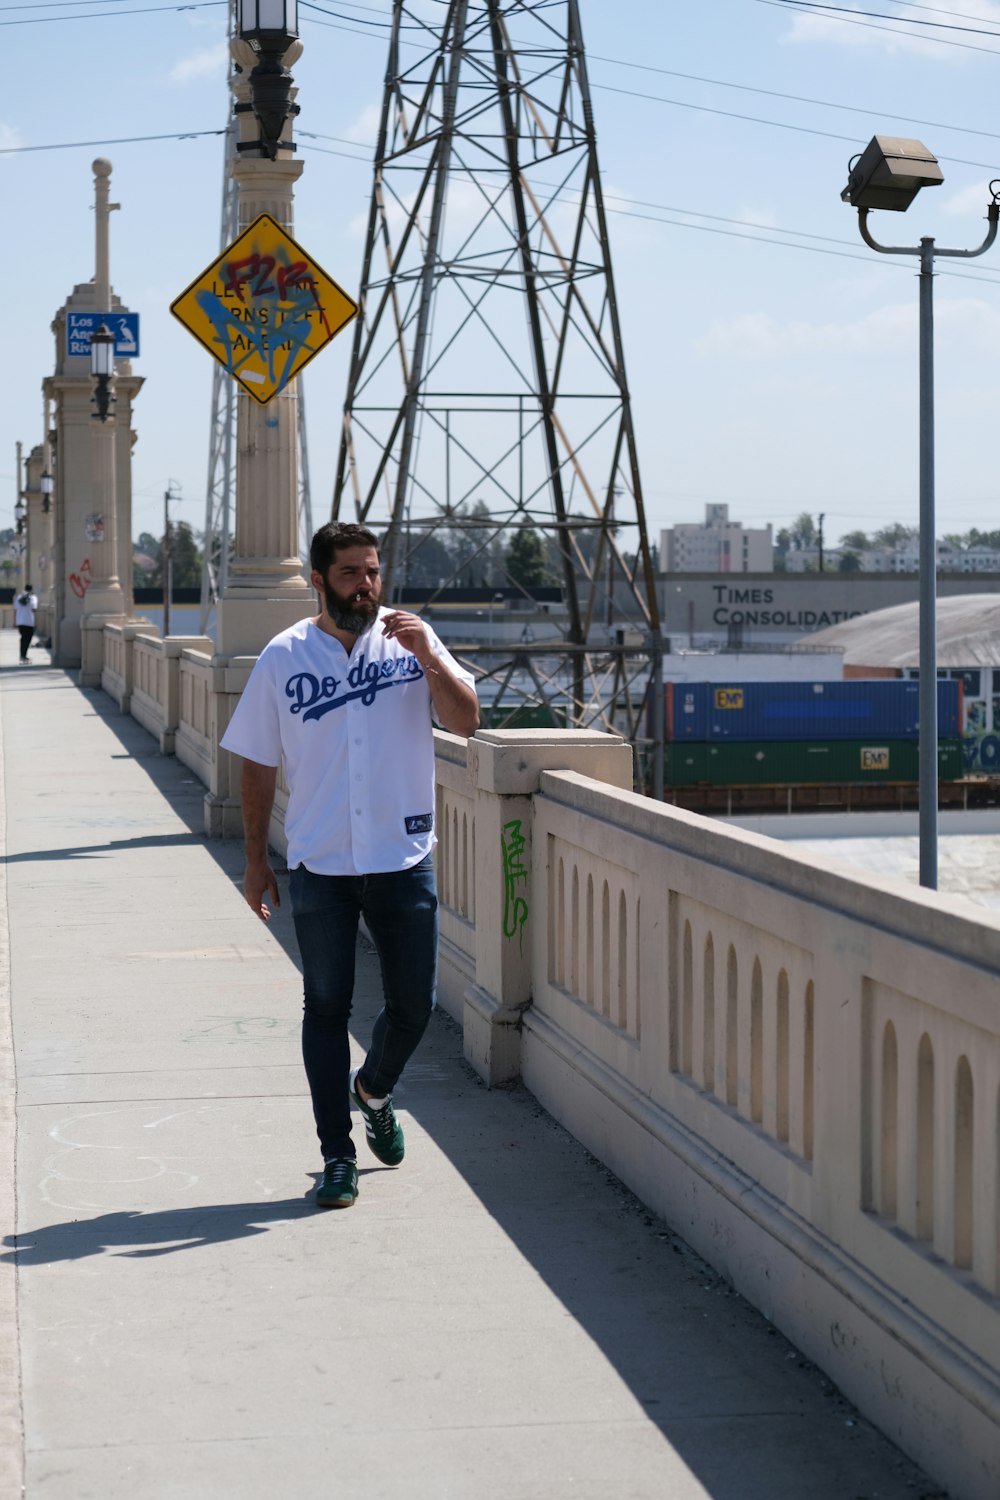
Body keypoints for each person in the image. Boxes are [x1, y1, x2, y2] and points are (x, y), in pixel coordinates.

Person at [221, 523, 479, 1209]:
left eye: (372, 572)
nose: (366, 586)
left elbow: (466, 721)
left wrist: (430, 656)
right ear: (318, 579)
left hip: (403, 856)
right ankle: (337, 1154)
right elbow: (257, 760)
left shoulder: (411, 642)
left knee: (414, 1006)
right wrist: (255, 860)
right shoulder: (284, 657)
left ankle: (373, 1089)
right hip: (321, 861)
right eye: (350, 574)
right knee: (326, 1007)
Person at [14, 583, 38, 665]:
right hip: (29, 622)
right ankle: (23, 655)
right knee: (28, 639)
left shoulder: (19, 598)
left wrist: (15, 622)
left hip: (20, 621)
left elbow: (16, 610)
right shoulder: (33, 598)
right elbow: (34, 609)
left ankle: (22, 655)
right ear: (31, 589)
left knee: (23, 638)